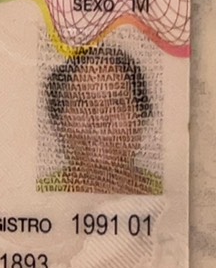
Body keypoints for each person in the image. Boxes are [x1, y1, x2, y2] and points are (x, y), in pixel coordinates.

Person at [39, 45, 162, 195]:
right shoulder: (36, 198)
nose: (99, 120)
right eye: (82, 104)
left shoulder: (171, 196)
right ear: (60, 121)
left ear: (140, 116)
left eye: (116, 103)